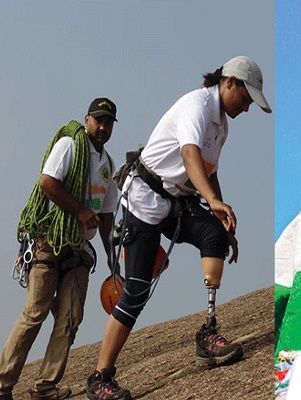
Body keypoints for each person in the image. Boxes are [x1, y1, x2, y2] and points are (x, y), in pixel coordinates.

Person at [85, 55, 272, 400]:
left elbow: (209, 171)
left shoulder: (222, 126)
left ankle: (208, 334)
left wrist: (220, 215)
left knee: (215, 235)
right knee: (136, 292)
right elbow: (189, 154)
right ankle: (100, 377)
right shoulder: (197, 107)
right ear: (229, 81)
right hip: (142, 201)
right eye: (245, 98)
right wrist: (213, 202)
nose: (246, 108)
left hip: (174, 202)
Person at [0, 98, 119, 400]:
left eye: (109, 122)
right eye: (99, 120)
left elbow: (105, 216)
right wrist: (79, 211)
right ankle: (2, 384)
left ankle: (45, 386)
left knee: (70, 318)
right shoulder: (70, 145)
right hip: (50, 241)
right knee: (35, 313)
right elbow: (47, 182)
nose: (103, 127)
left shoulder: (107, 165)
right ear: (87, 119)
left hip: (80, 248)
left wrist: (110, 254)